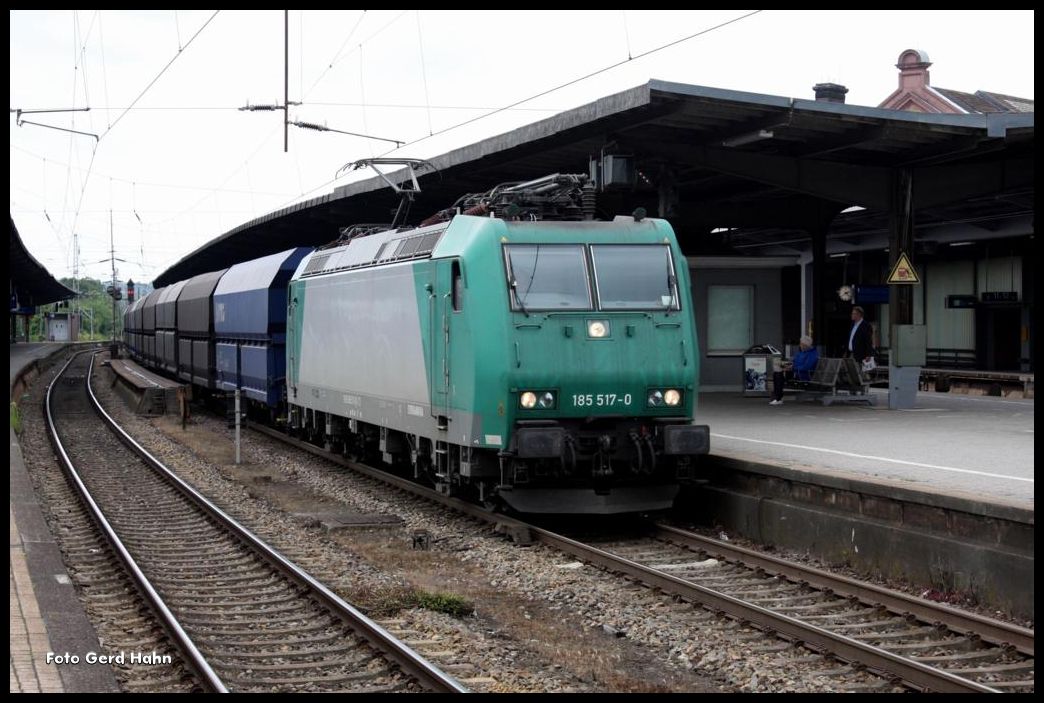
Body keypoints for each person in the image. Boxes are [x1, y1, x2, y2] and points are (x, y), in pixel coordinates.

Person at [769, 335, 818, 405]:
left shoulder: (812, 354)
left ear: (805, 345)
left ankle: (778, 398)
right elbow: (794, 361)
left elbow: (807, 367)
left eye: (801, 344)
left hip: (803, 375)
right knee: (777, 372)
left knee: (778, 375)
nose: (800, 345)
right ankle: (777, 398)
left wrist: (793, 368)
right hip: (796, 373)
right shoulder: (801, 353)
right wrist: (788, 365)